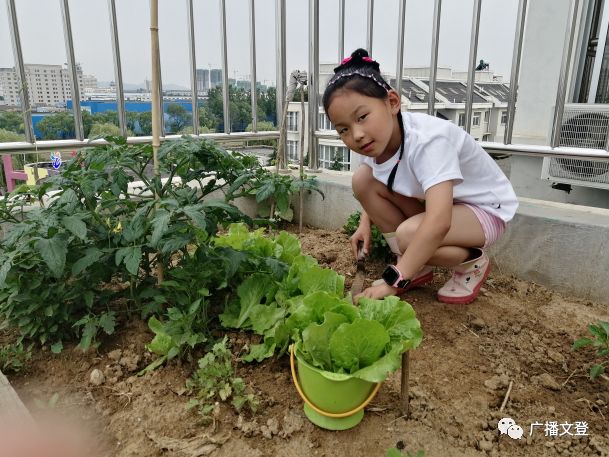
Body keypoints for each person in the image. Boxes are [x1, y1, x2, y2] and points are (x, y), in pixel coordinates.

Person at [322, 49, 518, 304]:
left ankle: (472, 262)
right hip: (447, 205)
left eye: (362, 117)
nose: (356, 135)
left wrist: (394, 282)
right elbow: (381, 178)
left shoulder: (429, 141)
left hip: (485, 211)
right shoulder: (375, 141)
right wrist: (364, 224)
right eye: (343, 129)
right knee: (363, 179)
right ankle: (418, 269)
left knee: (407, 236)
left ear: (392, 102)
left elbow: (438, 222)